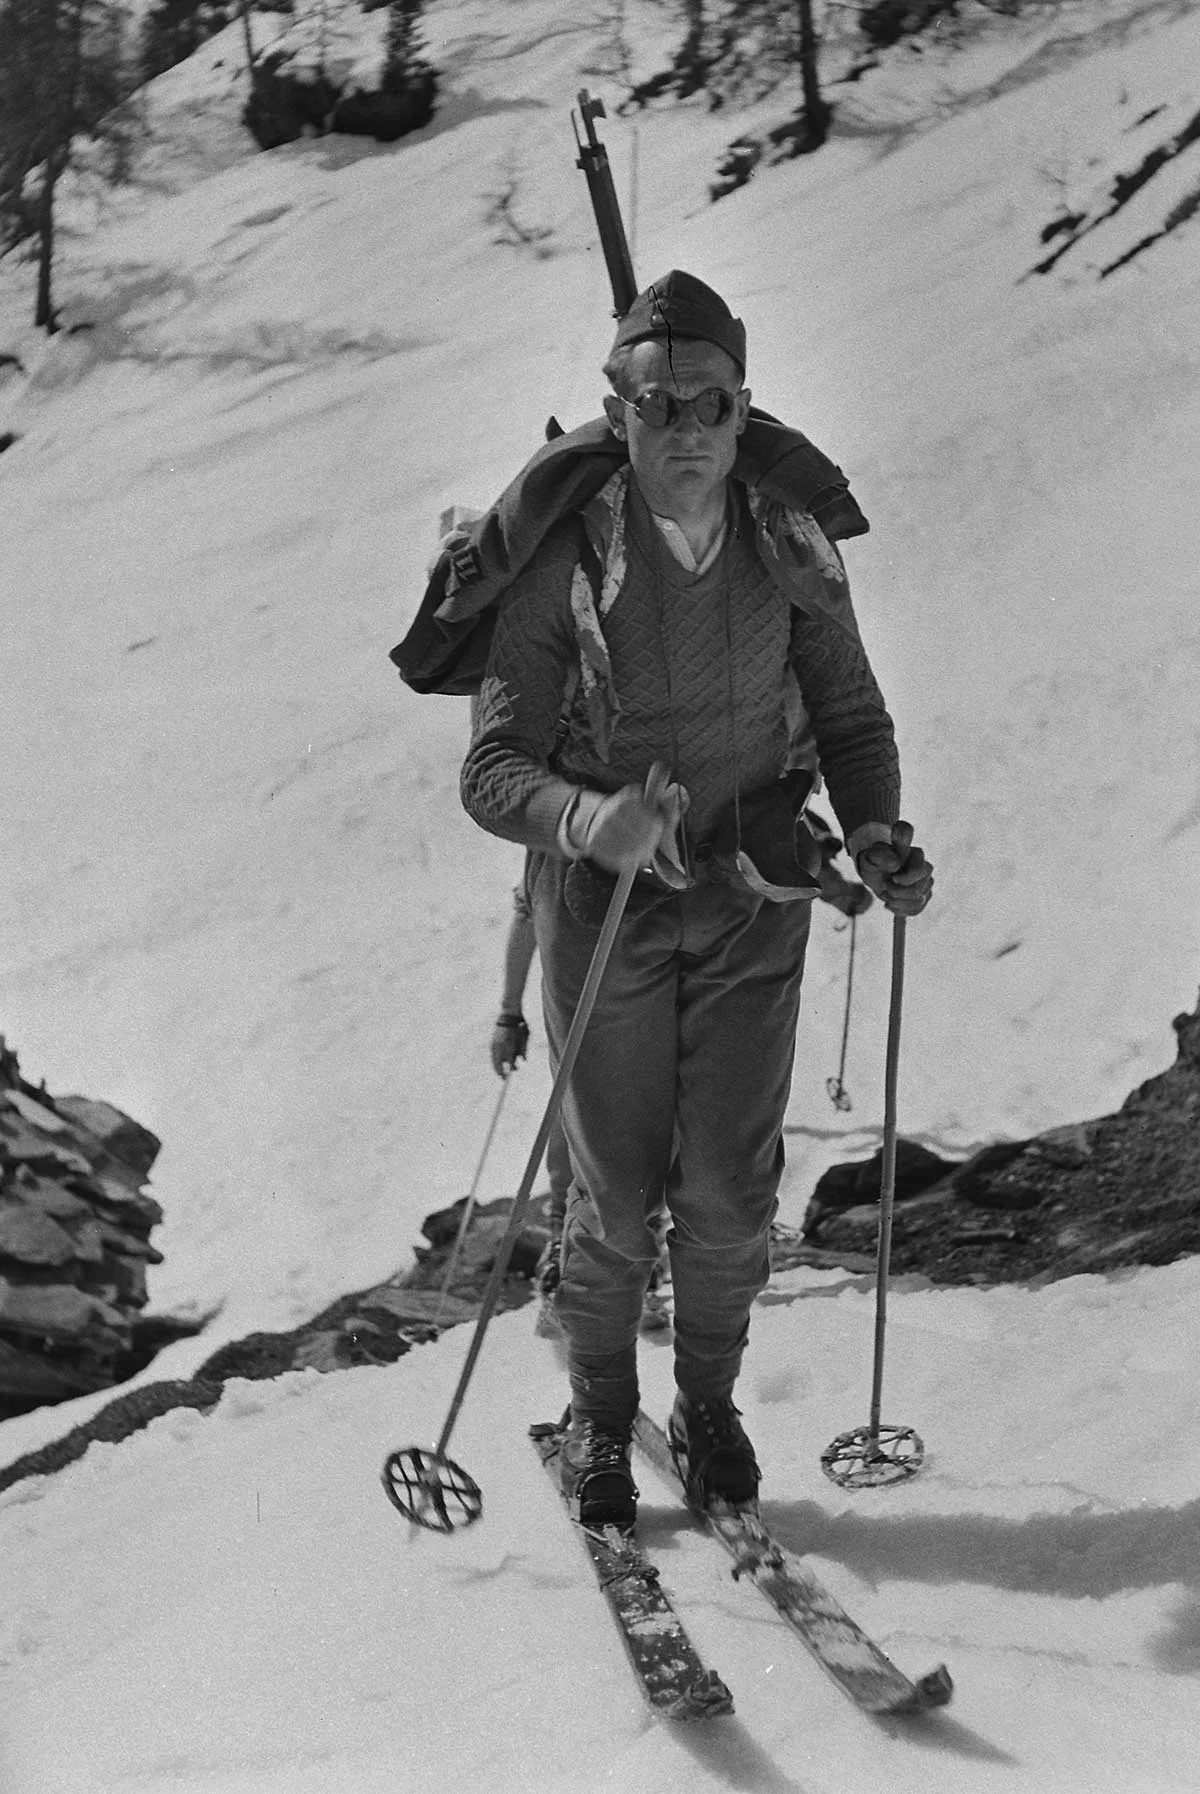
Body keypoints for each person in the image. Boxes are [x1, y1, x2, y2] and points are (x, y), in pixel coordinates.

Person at [461, 270, 933, 1531]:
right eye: (657, 403)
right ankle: (602, 1416)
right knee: (612, 1189)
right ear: (618, 413)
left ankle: (710, 1405)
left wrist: (878, 828)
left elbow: (849, 713)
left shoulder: (787, 540)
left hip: (749, 892)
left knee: (729, 1187)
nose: (686, 427)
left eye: (708, 404)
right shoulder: (571, 549)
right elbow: (493, 767)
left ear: (741, 413)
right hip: (602, 909)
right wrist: (585, 820)